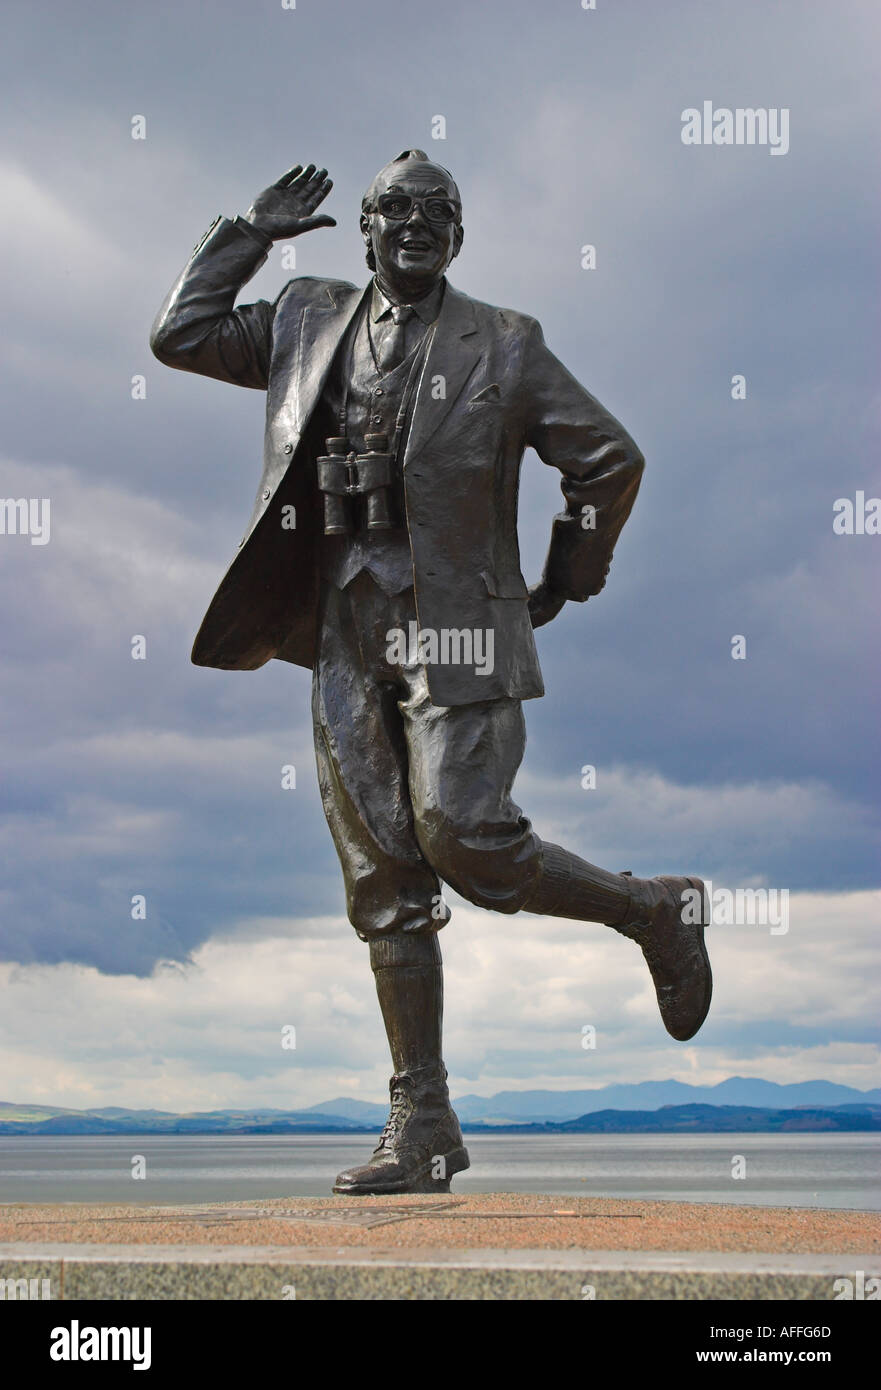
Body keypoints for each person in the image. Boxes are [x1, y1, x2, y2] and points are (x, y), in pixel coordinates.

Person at [151, 151, 712, 1195]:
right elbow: (178, 334)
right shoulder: (302, 318)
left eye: (439, 212)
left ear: (460, 234)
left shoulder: (505, 343)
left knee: (460, 831)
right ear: (363, 227)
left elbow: (608, 458)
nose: (418, 224)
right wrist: (251, 232)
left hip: (455, 627)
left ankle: (652, 909)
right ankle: (422, 1121)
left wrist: (561, 577)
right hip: (342, 626)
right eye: (397, 209)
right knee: (381, 882)